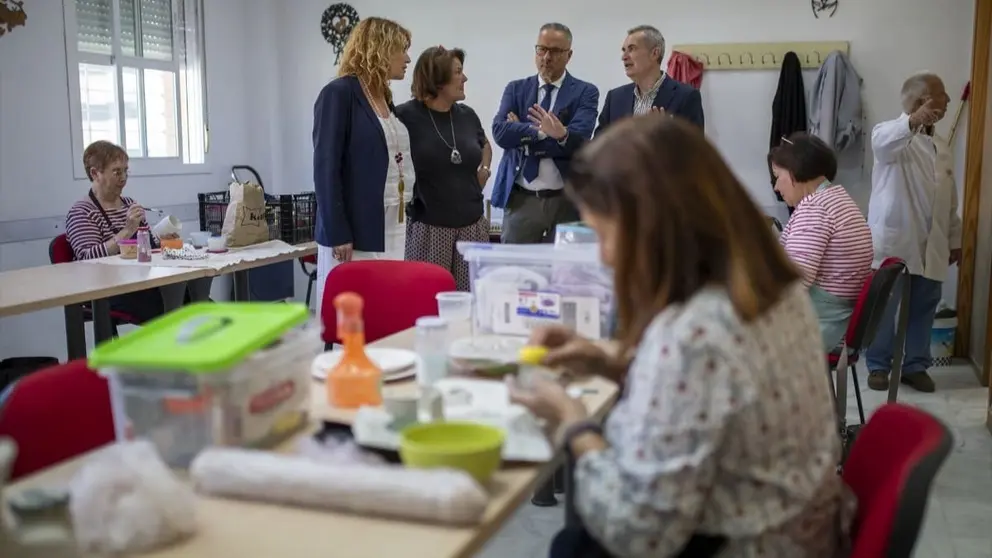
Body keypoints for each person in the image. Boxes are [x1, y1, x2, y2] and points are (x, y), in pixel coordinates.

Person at [508, 117, 853, 557]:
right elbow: (718, 394)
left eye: (603, 235)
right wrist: (612, 361)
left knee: (573, 543)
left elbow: (639, 533)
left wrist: (573, 420)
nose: (604, 257)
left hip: (744, 544)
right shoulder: (769, 289)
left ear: (653, 227)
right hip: (795, 530)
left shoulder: (695, 332)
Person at [865, 72, 961, 394]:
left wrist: (955, 238)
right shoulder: (889, 136)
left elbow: (949, 199)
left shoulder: (942, 146)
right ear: (921, 101)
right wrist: (910, 122)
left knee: (925, 304)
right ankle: (879, 366)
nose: (947, 100)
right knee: (886, 307)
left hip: (931, 243)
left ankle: (915, 366)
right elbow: (882, 143)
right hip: (896, 240)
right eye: (941, 95)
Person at [312, 17, 413, 316]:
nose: (407, 58)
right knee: (353, 313)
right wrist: (337, 230)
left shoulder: (383, 97)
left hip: (391, 224)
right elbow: (325, 166)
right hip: (353, 230)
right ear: (380, 49)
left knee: (385, 307)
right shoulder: (339, 94)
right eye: (401, 50)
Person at [65, 141, 212, 322]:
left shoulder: (129, 204)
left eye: (126, 171)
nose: (123, 177)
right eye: (117, 172)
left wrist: (161, 240)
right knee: (176, 311)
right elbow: (87, 259)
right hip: (109, 289)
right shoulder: (82, 212)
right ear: (95, 173)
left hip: (142, 282)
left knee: (206, 306)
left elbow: (146, 247)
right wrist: (127, 230)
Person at [490, 22, 599, 244]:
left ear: (569, 55)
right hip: (522, 199)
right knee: (516, 271)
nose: (546, 57)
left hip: (565, 202)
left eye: (555, 51)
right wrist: (545, 133)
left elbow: (580, 140)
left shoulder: (585, 92)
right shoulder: (516, 89)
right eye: (541, 49)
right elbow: (500, 132)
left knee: (564, 273)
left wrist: (521, 132)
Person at [395, 46, 491, 290]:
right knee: (428, 301)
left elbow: (485, 145)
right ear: (437, 80)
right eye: (458, 72)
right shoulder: (405, 116)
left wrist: (485, 170)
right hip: (429, 228)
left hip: (472, 227)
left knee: (471, 303)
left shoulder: (467, 115)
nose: (465, 78)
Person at [770, 133, 873, 349]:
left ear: (793, 171)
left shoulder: (815, 209)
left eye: (777, 176)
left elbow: (794, 283)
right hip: (835, 320)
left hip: (822, 326)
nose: (776, 187)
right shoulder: (836, 199)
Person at [595, 25, 704, 135]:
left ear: (654, 53)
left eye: (632, 49)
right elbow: (598, 147)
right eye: (624, 50)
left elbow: (694, 150)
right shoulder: (614, 98)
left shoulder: (686, 97)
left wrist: (663, 135)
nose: (624, 57)